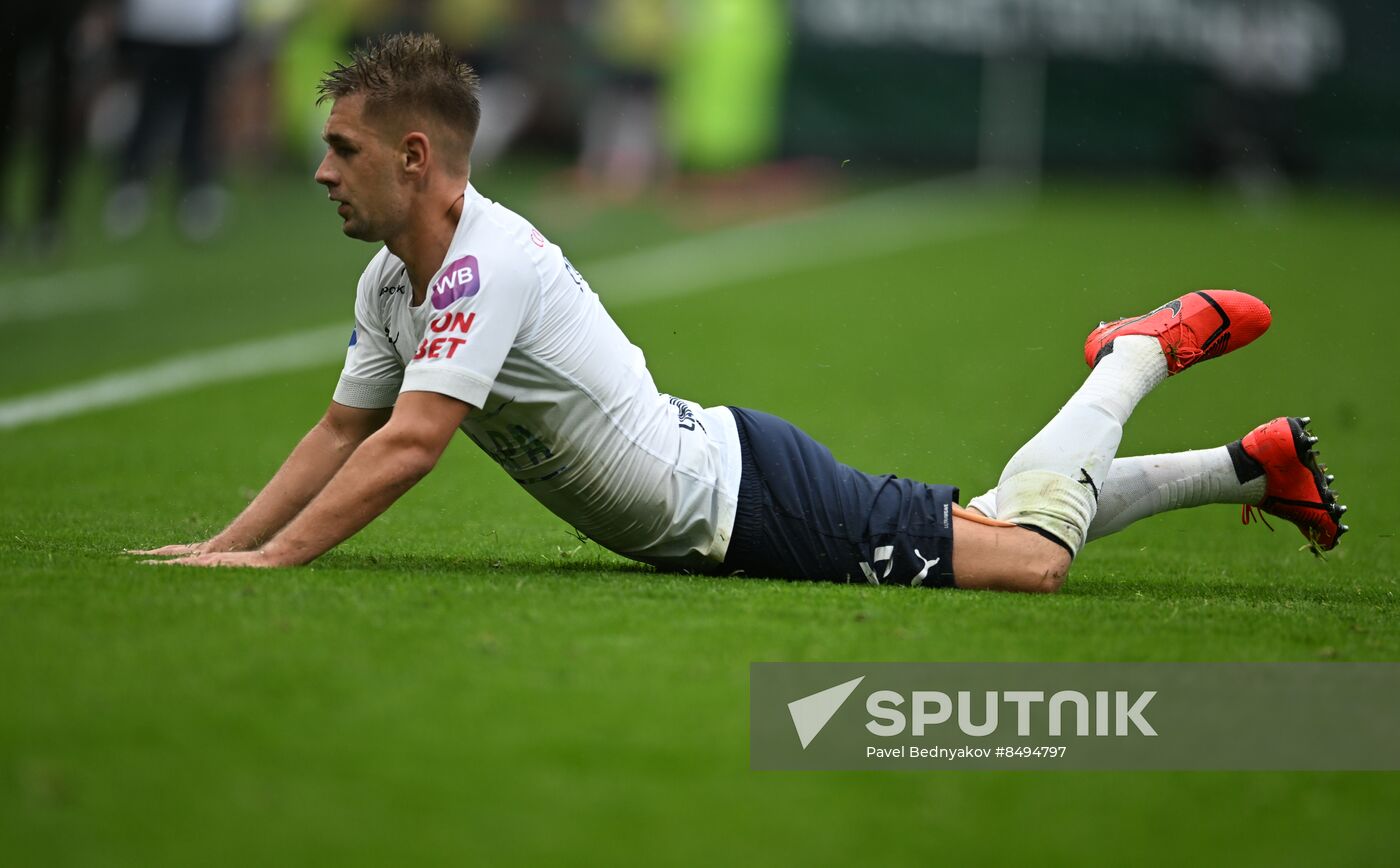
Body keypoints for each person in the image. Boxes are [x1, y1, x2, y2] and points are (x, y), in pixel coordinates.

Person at [130, 33, 1349, 592]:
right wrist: (232, 542)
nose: (320, 171)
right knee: (991, 522)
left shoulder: (486, 262)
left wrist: (275, 562)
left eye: (340, 149)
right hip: (728, 488)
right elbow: (343, 428)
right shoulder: (389, 278)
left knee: (1025, 560)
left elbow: (409, 440)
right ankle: (1248, 469)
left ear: (414, 155)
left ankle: (1130, 358)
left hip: (744, 504)